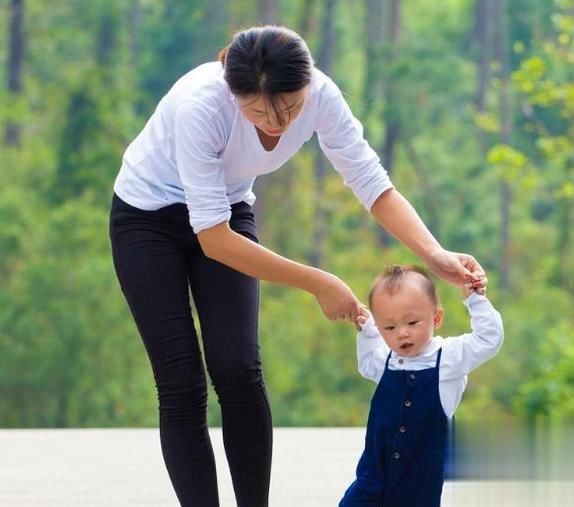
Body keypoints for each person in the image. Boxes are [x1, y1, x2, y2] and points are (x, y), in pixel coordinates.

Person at [109, 25, 487, 507]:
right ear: (231, 88)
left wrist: (435, 255)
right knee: (181, 382)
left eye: (288, 107)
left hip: (225, 209)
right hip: (147, 222)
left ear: (306, 85)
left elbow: (372, 182)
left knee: (239, 369)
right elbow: (214, 240)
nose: (275, 123)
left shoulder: (322, 96)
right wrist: (319, 281)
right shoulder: (200, 105)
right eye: (257, 111)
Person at [340, 265, 503, 507]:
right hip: (371, 481)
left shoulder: (448, 358)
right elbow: (366, 363)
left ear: (436, 318)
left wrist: (476, 301)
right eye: (390, 327)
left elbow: (488, 339)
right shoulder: (386, 360)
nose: (402, 334)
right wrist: (368, 331)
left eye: (412, 322)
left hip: (417, 489)